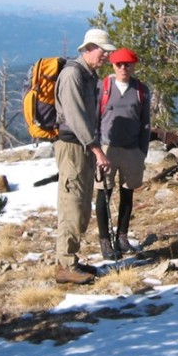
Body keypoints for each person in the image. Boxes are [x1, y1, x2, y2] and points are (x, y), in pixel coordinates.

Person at [53, 28, 115, 284]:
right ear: (89, 48)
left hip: (83, 148)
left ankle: (71, 260)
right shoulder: (72, 75)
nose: (106, 56)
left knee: (80, 203)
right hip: (72, 147)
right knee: (72, 202)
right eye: (104, 51)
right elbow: (76, 118)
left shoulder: (88, 76)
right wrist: (97, 149)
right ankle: (65, 264)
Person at [95, 47, 151, 260]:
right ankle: (105, 241)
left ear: (133, 65)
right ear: (113, 65)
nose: (123, 68)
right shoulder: (104, 87)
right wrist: (96, 150)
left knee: (127, 194)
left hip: (132, 150)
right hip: (107, 149)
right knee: (104, 193)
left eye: (127, 64)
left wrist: (141, 151)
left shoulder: (141, 90)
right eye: (119, 64)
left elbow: (145, 122)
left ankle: (122, 237)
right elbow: (94, 120)